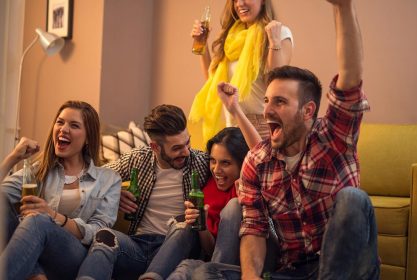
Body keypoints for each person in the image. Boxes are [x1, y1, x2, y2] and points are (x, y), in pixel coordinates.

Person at [193, 0, 380, 279]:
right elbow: (254, 229)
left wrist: (343, 8)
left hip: (347, 269)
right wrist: (250, 276)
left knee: (354, 199)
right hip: (292, 271)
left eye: (279, 102)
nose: (267, 109)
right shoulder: (257, 160)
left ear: (308, 111)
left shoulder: (334, 139)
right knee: (204, 274)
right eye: (267, 100)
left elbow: (351, 79)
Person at [76, 104, 211, 280]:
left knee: (183, 222)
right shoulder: (139, 158)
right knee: (104, 236)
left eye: (188, 143)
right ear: (155, 147)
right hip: (138, 246)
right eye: (177, 148)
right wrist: (114, 191)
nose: (186, 152)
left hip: (177, 246)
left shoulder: (202, 163)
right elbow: (91, 179)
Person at [0, 101, 121, 280]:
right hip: (33, 248)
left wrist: (52, 216)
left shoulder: (108, 179)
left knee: (38, 221)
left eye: (74, 125)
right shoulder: (39, 170)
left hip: (74, 256)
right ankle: (37, 274)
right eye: (60, 122)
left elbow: (99, 231)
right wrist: (13, 157)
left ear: (88, 137)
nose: (64, 129)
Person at [139, 126, 249, 280]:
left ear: (243, 163)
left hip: (236, 267)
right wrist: (201, 224)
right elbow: (210, 250)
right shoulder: (209, 187)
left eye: (225, 163)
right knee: (185, 267)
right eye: (213, 161)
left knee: (233, 205)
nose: (216, 170)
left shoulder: (248, 191)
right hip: (208, 261)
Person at [189, 0, 293, 145]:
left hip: (262, 127)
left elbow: (277, 84)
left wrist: (274, 42)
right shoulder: (231, 38)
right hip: (232, 126)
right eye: (235, 0)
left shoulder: (278, 33)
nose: (240, 4)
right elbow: (214, 84)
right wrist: (203, 44)